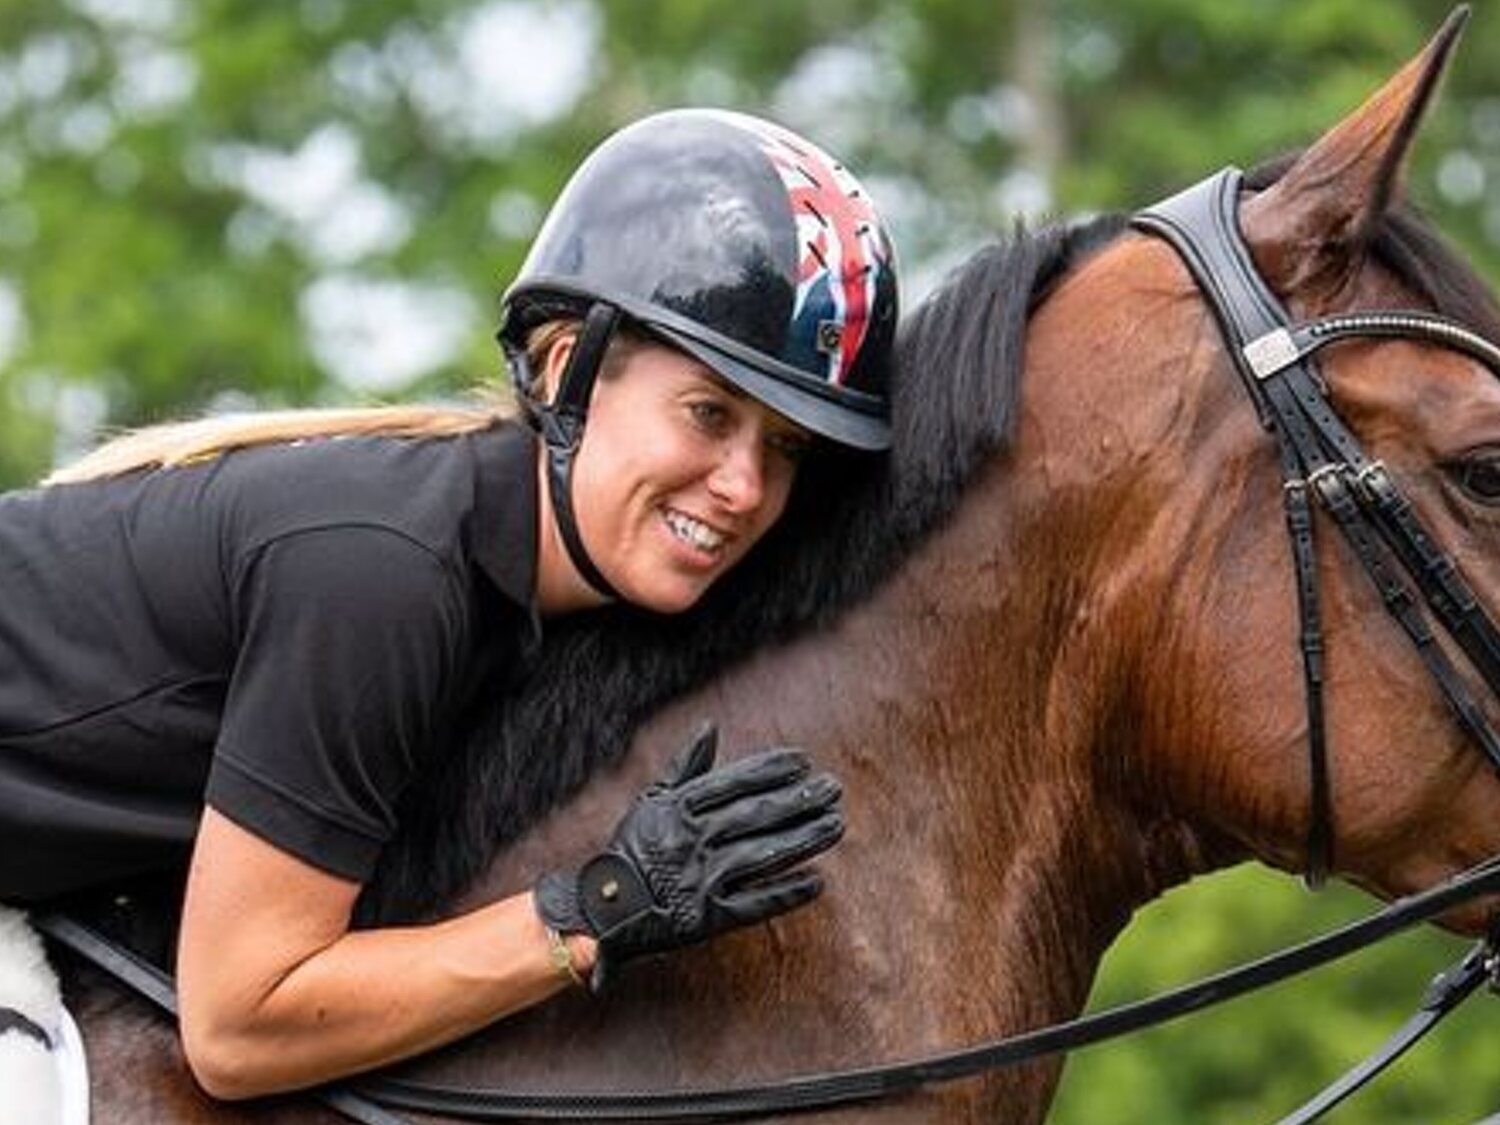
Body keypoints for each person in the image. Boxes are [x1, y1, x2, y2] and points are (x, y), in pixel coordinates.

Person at [0, 108, 899, 1100]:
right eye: (709, 415)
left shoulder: (477, 568)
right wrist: (597, 908)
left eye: (784, 449)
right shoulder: (390, 576)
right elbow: (240, 1026)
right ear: (569, 369)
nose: (742, 487)